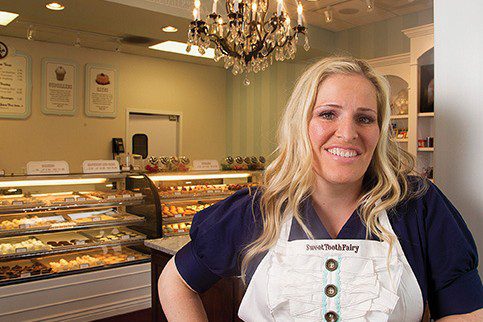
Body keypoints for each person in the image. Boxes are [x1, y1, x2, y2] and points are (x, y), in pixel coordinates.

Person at [158, 56, 483, 321]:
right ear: (301, 124)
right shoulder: (257, 210)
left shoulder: (418, 206)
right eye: (328, 114)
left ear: (380, 131)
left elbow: (467, 313)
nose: (347, 133)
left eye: (365, 119)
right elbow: (176, 282)